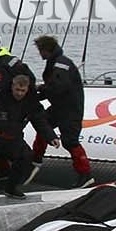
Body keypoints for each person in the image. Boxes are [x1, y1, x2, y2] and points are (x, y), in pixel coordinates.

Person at [29, 35, 93, 188]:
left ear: (46, 50)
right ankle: (35, 160)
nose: (39, 54)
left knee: (70, 141)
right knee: (42, 125)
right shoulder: (54, 63)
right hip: (59, 106)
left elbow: (58, 87)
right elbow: (53, 88)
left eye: (40, 51)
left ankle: (86, 174)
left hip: (70, 109)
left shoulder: (61, 64)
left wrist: (40, 89)